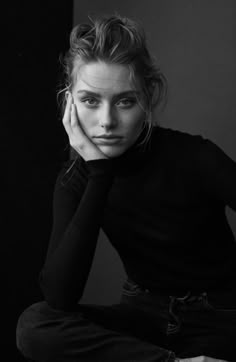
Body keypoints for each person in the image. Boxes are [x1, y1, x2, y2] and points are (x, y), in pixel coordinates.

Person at [16, 14, 236, 362]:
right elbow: (59, 297)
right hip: (143, 317)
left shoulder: (194, 156)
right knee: (35, 325)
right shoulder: (77, 178)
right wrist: (100, 173)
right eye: (90, 100)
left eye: (125, 101)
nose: (106, 121)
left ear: (147, 98)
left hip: (222, 317)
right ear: (69, 101)